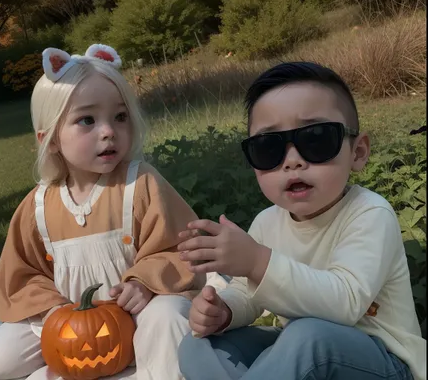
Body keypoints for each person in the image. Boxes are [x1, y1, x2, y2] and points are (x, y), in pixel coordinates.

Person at [0, 44, 204, 380]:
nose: (108, 131)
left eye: (120, 116)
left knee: (170, 318)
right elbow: (22, 274)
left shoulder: (139, 184)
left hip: (136, 311)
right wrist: (54, 309)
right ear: (51, 138)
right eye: (87, 120)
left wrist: (144, 283)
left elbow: (180, 246)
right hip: (66, 321)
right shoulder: (39, 206)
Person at [177, 61, 425, 380]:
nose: (292, 161)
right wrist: (223, 311)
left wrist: (257, 261)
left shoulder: (369, 213)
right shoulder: (268, 222)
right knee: (198, 346)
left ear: (358, 152)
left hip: (384, 359)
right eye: (269, 148)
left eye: (316, 139)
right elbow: (247, 293)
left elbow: (346, 303)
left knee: (308, 337)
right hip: (301, 353)